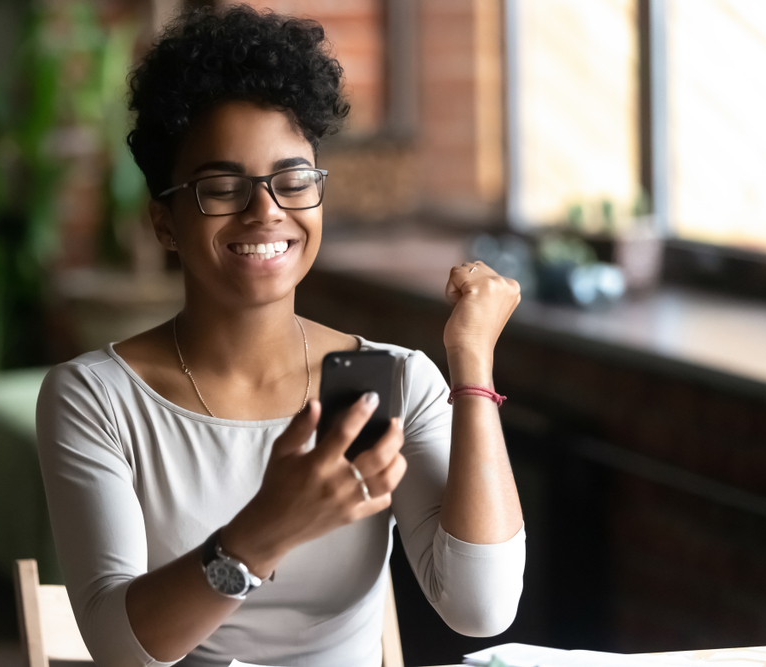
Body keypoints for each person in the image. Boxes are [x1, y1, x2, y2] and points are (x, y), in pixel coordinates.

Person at [36, 6, 525, 667]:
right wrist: (268, 526)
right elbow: (119, 649)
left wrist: (471, 361)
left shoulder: (396, 381)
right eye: (221, 186)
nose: (266, 210)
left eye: (292, 180)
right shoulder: (96, 399)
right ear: (164, 221)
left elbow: (482, 606)